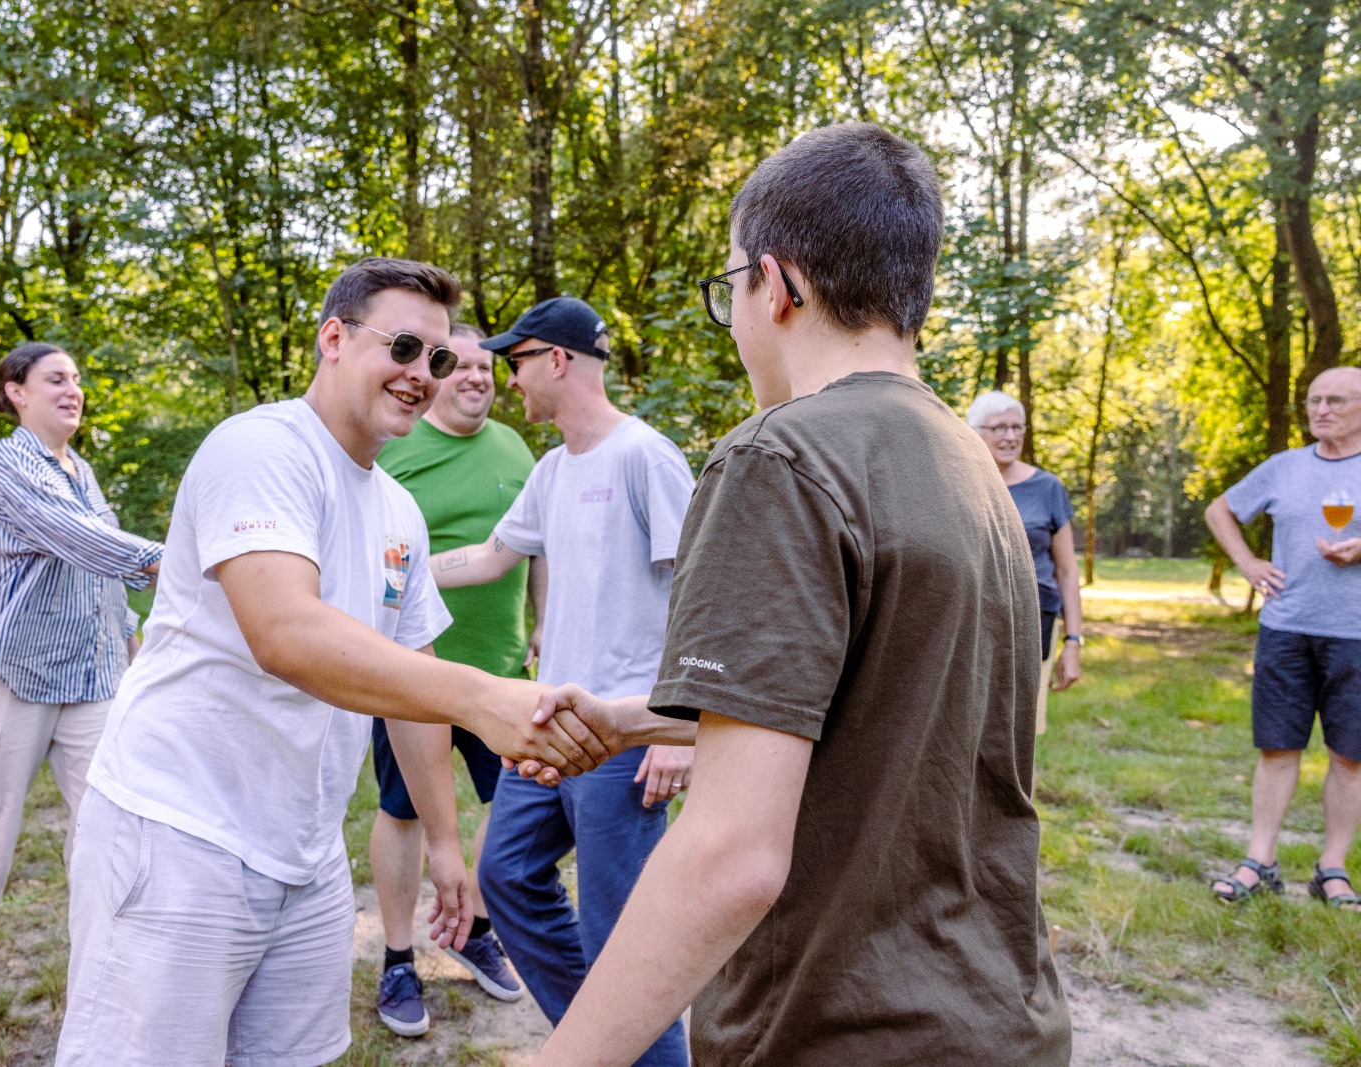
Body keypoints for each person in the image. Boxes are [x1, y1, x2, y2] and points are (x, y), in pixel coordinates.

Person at [527, 122, 1072, 1066]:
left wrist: (557, 1059)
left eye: (730, 287)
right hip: (997, 1015)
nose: (735, 315)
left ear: (776, 285)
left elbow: (729, 858)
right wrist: (630, 717)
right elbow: (876, 709)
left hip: (840, 1029)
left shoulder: (779, 456)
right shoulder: (968, 464)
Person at [55, 258, 607, 1067]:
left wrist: (448, 849)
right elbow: (287, 632)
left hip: (307, 857)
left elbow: (407, 685)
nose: (423, 374)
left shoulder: (399, 510)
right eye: (406, 347)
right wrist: (484, 696)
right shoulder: (261, 448)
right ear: (334, 338)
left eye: (439, 359)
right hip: (177, 833)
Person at [429, 296, 697, 1067]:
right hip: (550, 725)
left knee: (624, 937)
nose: (508, 378)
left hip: (622, 732)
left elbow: (699, 593)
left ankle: (631, 1049)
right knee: (505, 875)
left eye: (516, 362)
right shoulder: (553, 469)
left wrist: (677, 729)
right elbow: (489, 555)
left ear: (559, 360)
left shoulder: (645, 456)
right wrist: (399, 568)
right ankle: (598, 1043)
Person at [0, 342, 164, 1018]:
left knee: (112, 825)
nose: (72, 389)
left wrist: (131, 645)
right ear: (15, 391)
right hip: (9, 674)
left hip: (90, 677)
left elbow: (100, 570)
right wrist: (180, 561)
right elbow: (74, 535)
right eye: (56, 378)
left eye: (77, 379)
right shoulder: (5, 463)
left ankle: (108, 964)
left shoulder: (81, 468)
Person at [368, 323, 539, 1034]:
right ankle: (400, 956)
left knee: (514, 807)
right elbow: (372, 556)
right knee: (404, 811)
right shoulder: (394, 449)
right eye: (459, 364)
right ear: (434, 374)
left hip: (501, 671)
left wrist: (544, 629)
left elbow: (538, 547)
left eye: (486, 367)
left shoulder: (517, 448)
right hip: (414, 678)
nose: (475, 376)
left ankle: (472, 927)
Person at [1205, 365, 1361, 910]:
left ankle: (1332, 868)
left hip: (1355, 634)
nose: (1320, 410)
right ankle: (1260, 861)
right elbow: (1219, 509)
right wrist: (1247, 562)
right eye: (1314, 401)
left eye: (1335, 401)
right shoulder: (1284, 467)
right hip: (1286, 629)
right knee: (1277, 747)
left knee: (1350, 756)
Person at [969, 390, 1084, 737]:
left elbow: (1066, 570)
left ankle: (1020, 793)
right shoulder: (962, 482)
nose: (1011, 436)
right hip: (974, 621)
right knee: (970, 730)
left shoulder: (1047, 487)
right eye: (1000, 428)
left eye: (1017, 427)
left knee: (1020, 733)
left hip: (1035, 621)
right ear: (976, 432)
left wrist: (1074, 640)